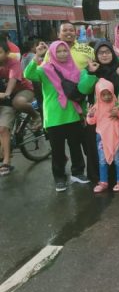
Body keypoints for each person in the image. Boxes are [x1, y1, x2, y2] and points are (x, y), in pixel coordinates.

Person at [25, 41, 89, 192]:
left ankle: (78, 172)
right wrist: (37, 56)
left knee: (75, 147)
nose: (62, 54)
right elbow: (28, 74)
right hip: (54, 117)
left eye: (64, 51)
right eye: (58, 51)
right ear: (52, 53)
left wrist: (84, 112)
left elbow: (81, 93)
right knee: (58, 150)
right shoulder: (45, 69)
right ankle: (59, 177)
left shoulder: (75, 69)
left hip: (73, 115)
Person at [78, 40, 119, 182]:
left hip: (116, 116)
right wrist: (91, 73)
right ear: (96, 55)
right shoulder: (88, 69)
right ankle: (101, 178)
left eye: (107, 51)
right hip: (97, 118)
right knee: (98, 149)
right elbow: (83, 89)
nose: (104, 55)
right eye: (100, 52)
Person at [0, 38, 38, 176]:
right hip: (3, 97)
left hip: (22, 91)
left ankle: (6, 161)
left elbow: (11, 83)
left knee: (4, 127)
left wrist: (7, 94)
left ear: (7, 53)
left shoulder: (13, 63)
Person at [86, 79, 119, 193]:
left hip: (115, 136)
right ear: (98, 95)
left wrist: (118, 113)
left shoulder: (116, 103)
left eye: (109, 93)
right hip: (102, 138)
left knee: (118, 160)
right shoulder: (96, 107)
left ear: (112, 92)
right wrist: (89, 114)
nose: (106, 97)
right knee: (102, 161)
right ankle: (103, 182)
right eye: (103, 94)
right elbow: (91, 122)